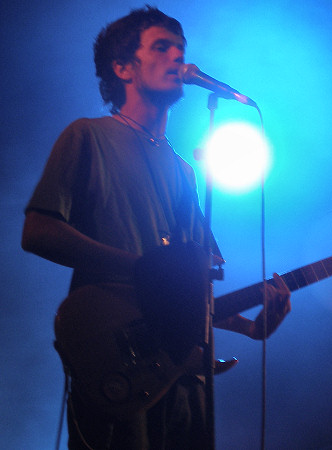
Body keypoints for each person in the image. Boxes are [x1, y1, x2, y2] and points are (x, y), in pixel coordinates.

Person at [21, 6, 291, 449]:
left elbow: (190, 291)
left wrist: (250, 329)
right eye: (161, 47)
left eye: (180, 48)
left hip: (182, 378)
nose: (177, 57)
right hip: (114, 360)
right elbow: (37, 231)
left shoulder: (185, 171)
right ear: (123, 67)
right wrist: (141, 268)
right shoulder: (87, 136)